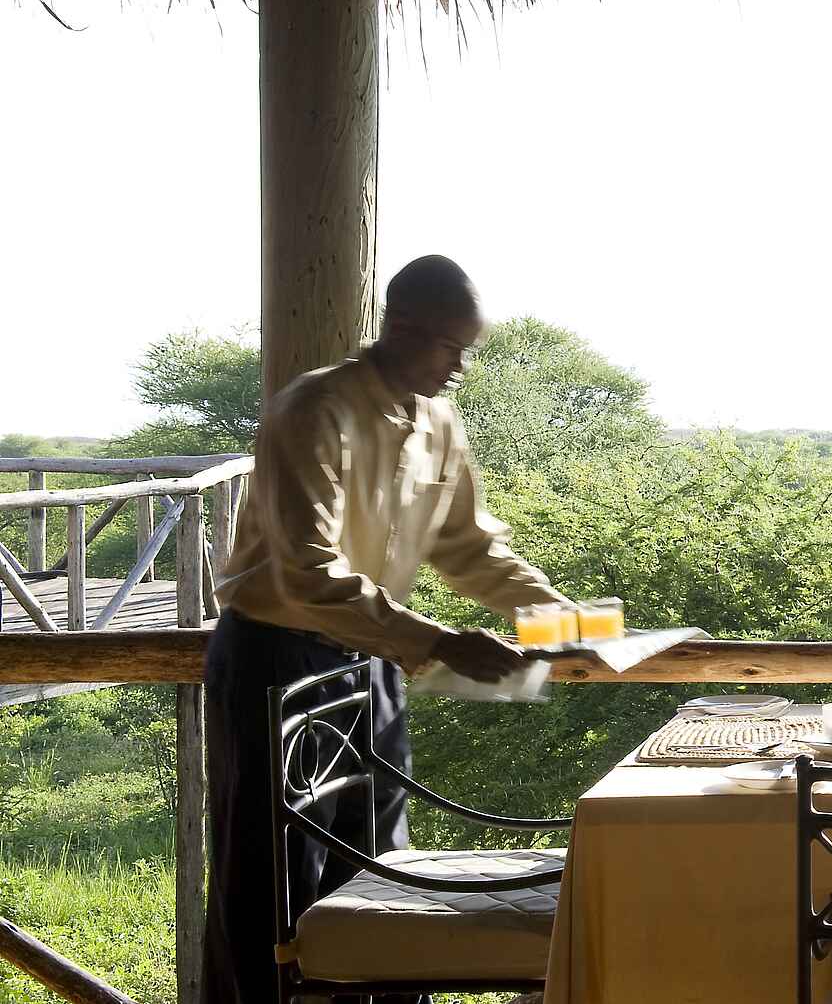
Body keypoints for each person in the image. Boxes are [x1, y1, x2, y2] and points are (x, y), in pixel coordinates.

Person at [203, 254, 570, 1004]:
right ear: (400, 327)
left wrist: (564, 616)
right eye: (450, 347)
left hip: (373, 656)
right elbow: (306, 570)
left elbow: (469, 547)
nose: (462, 367)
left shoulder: (437, 420)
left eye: (471, 349)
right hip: (277, 656)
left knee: (378, 866)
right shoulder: (313, 410)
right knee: (272, 879)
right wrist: (437, 642)